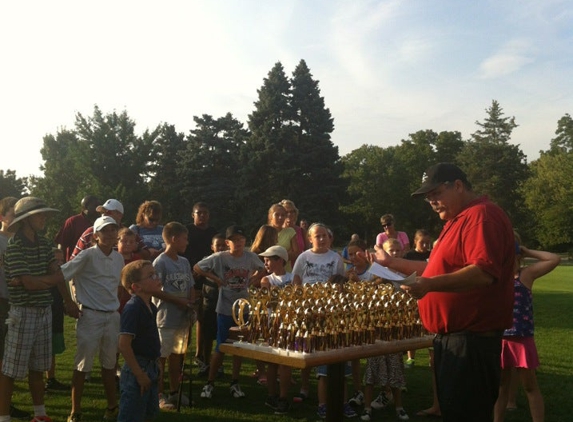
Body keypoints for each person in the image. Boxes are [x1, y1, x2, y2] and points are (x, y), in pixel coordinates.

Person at [369, 163, 515, 422]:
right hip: (458, 341)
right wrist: (390, 263)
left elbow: (483, 273)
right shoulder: (458, 219)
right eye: (428, 198)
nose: (432, 202)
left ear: (457, 186)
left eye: (436, 193)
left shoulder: (481, 216)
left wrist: (429, 285)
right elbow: (433, 267)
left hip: (471, 342)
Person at [0, 197, 80, 422]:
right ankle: (4, 417)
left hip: (44, 310)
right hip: (22, 313)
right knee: (10, 370)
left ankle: (40, 415)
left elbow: (58, 276)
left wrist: (67, 299)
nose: (45, 218)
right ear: (26, 219)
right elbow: (31, 283)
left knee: (38, 367)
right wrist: (47, 278)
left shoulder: (45, 243)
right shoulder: (15, 246)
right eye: (40, 214)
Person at [61, 216, 124, 422]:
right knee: (82, 366)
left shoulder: (119, 258)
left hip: (112, 317)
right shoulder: (87, 256)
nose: (110, 234)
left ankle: (112, 407)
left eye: (113, 230)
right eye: (105, 230)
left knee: (109, 365)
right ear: (96, 236)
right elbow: (62, 275)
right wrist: (69, 302)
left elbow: (119, 287)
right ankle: (75, 411)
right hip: (90, 316)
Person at [493, 234, 560, 422]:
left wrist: (527, 250)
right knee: (501, 387)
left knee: (530, 386)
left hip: (522, 339)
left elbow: (553, 259)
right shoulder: (496, 276)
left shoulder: (525, 275)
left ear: (518, 256)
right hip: (502, 339)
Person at [195, 226, 264, 400]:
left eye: (241, 239)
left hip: (244, 308)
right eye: (234, 240)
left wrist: (253, 280)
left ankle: (234, 381)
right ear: (228, 242)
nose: (238, 243)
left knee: (238, 346)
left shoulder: (250, 257)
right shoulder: (220, 257)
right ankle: (210, 382)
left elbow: (262, 268)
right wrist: (216, 279)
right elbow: (197, 267)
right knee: (221, 346)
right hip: (225, 308)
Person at [292, 223, 348, 416]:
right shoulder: (303, 257)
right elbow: (296, 280)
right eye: (318, 236)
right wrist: (299, 301)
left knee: (326, 348)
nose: (322, 239)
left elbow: (340, 283)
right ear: (310, 238)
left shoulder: (335, 258)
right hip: (307, 309)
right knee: (306, 348)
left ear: (329, 237)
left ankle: (329, 393)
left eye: (324, 235)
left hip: (329, 309)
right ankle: (305, 386)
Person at [361, 238, 409, 422]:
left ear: (403, 251)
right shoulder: (376, 273)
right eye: (391, 250)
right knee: (372, 370)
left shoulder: (408, 273)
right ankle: (367, 408)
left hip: (395, 330)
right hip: (377, 330)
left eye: (398, 250)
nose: (395, 253)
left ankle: (399, 407)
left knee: (395, 368)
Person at [151, 222, 195, 410]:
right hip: (165, 317)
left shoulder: (184, 262)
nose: (187, 242)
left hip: (182, 318)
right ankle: (158, 394)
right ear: (174, 238)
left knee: (177, 356)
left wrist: (191, 303)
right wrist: (179, 302)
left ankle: (174, 391)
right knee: (161, 357)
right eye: (184, 238)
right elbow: (156, 290)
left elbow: (191, 286)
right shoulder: (160, 262)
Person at [0, 196, 33, 420]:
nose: (18, 220)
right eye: (14, 215)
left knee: (9, 359)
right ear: (2, 217)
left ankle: (5, 405)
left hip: (20, 303)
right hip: (2, 302)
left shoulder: (22, 240)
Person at [117, 260, 162, 422]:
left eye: (155, 274)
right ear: (136, 287)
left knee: (148, 413)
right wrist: (139, 374)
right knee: (132, 415)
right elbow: (123, 344)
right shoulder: (133, 308)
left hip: (150, 366)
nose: (157, 278)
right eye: (151, 276)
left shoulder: (151, 306)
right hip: (138, 368)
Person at [181, 202, 218, 371]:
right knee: (188, 317)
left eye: (205, 213)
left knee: (204, 318)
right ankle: (181, 356)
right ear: (193, 215)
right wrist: (191, 271)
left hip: (208, 279)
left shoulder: (213, 233)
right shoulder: (188, 231)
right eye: (199, 213)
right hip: (189, 277)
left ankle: (201, 354)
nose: (202, 216)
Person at [259, 245, 294, 415]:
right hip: (272, 324)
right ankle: (272, 395)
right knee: (272, 362)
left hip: (289, 324)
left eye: (268, 260)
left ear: (280, 260)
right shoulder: (266, 279)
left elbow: (296, 299)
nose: (265, 263)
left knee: (285, 362)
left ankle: (283, 397)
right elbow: (270, 301)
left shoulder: (294, 277)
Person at [71, 199, 150, 261]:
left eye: (108, 212)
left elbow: (147, 254)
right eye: (102, 212)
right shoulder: (90, 233)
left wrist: (133, 249)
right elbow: (74, 260)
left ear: (120, 215)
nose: (104, 215)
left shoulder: (128, 233)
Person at [196, 234, 227, 378]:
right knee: (207, 335)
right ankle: (206, 362)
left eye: (223, 245)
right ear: (212, 247)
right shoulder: (207, 261)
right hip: (209, 300)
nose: (220, 248)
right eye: (218, 245)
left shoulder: (229, 260)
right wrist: (215, 278)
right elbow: (196, 270)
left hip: (225, 301)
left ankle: (219, 364)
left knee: (223, 336)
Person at [403, 229, 432, 368]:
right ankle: (411, 357)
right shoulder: (409, 255)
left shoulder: (432, 255)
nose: (425, 246)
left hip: (429, 294)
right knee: (413, 325)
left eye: (428, 243)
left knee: (429, 326)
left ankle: (431, 356)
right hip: (412, 294)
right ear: (415, 241)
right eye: (422, 243)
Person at [44, 248, 69, 392]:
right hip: (46, 314)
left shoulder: (60, 278)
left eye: (62, 260)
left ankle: (50, 378)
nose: (59, 264)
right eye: (56, 260)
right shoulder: (44, 280)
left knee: (51, 347)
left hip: (57, 314)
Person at [55, 195, 99, 262]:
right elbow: (62, 244)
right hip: (74, 265)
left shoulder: (99, 222)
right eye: (95, 205)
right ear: (86, 207)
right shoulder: (73, 222)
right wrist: (61, 264)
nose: (97, 209)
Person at [268, 204, 299, 272]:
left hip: (286, 273)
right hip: (268, 273)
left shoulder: (290, 232)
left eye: (283, 215)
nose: (280, 218)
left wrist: (275, 257)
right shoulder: (265, 232)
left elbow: (296, 253)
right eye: (277, 215)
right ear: (271, 216)